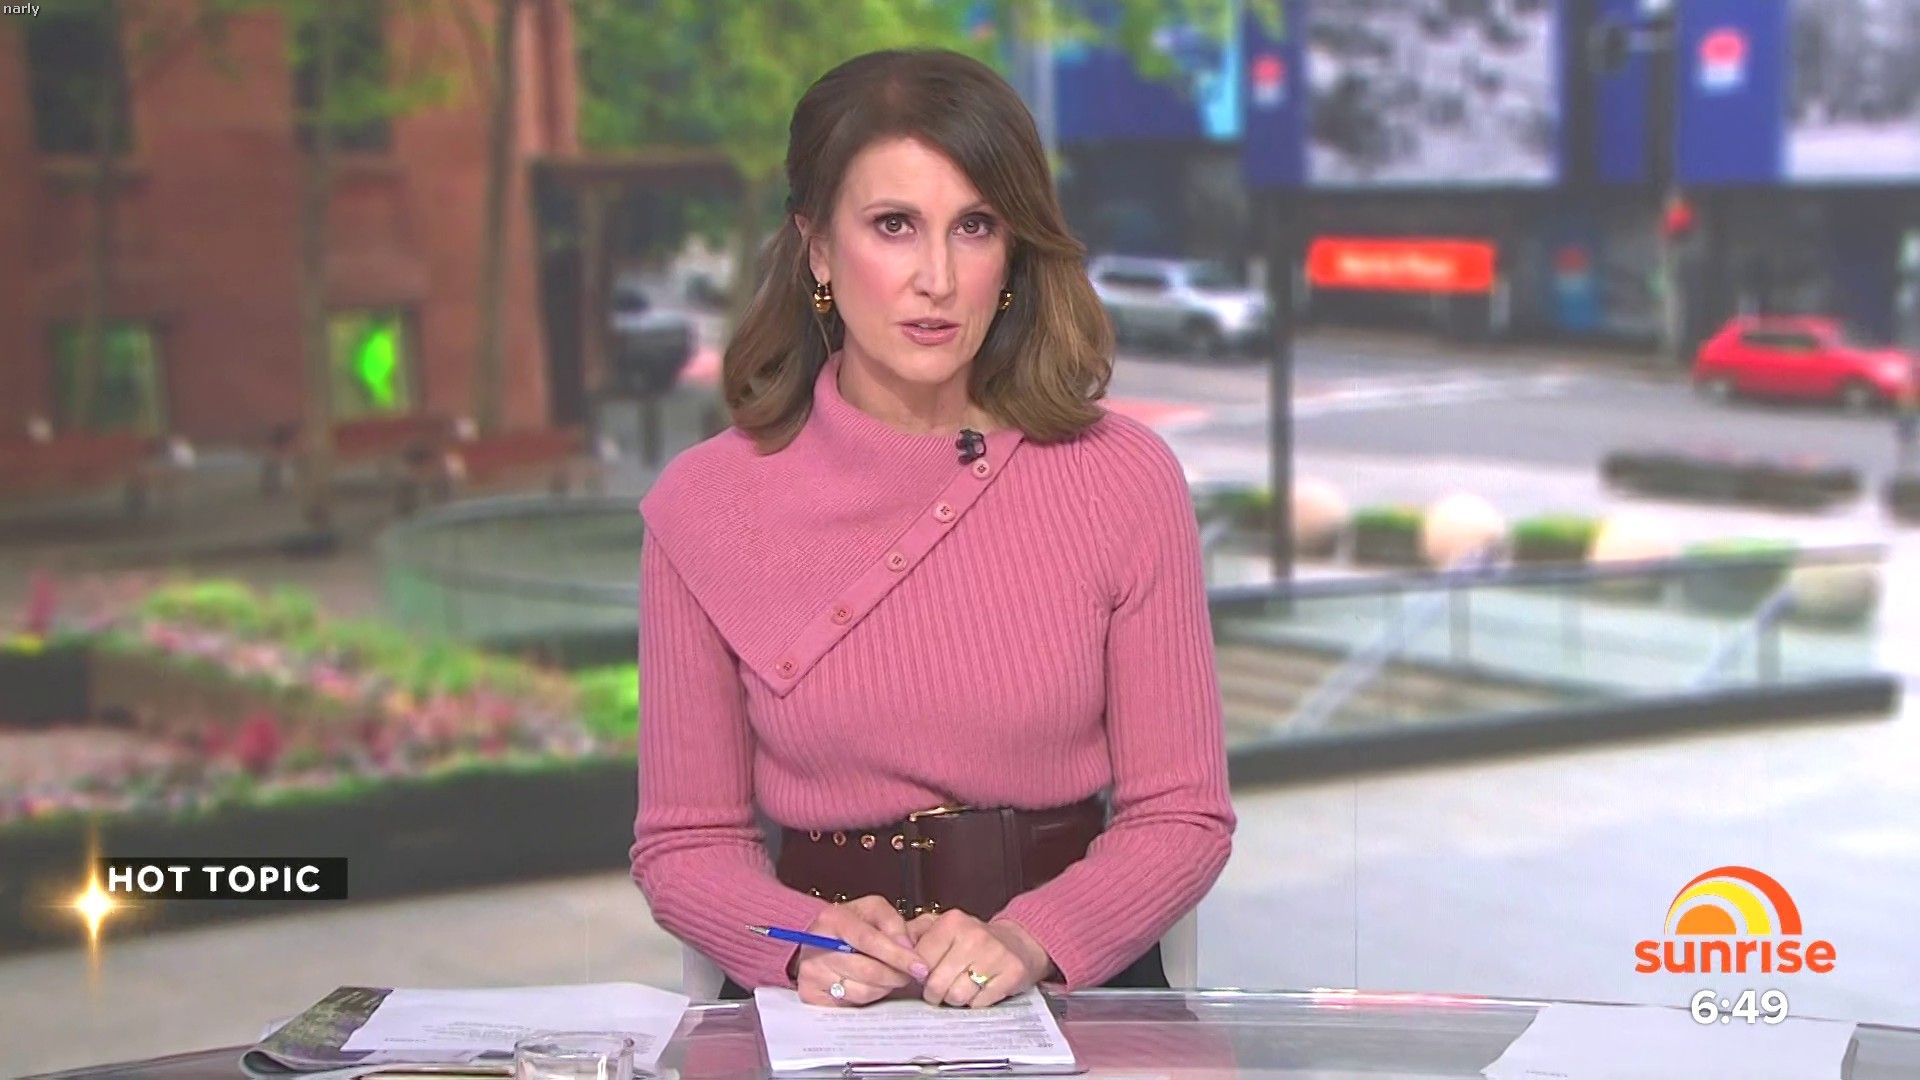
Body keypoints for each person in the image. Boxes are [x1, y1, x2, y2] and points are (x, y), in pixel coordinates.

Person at [631, 48, 1236, 1010]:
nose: (938, 278)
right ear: (817, 249)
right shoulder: (705, 505)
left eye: (975, 227)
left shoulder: (1123, 479)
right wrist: (800, 941)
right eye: (893, 226)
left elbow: (1183, 817)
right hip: (824, 1000)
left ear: (1014, 252)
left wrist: (1031, 940)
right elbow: (686, 847)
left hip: (1065, 987)